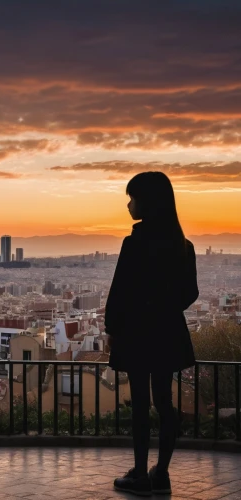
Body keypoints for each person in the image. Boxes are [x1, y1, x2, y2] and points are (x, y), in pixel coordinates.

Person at [105, 171, 199, 497]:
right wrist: (164, 309)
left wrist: (114, 329)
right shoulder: (183, 246)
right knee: (164, 403)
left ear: (147, 201)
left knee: (141, 405)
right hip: (168, 332)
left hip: (137, 333)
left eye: (132, 198)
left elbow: (119, 293)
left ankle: (140, 474)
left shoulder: (134, 243)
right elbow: (191, 293)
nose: (128, 204)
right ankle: (162, 473)